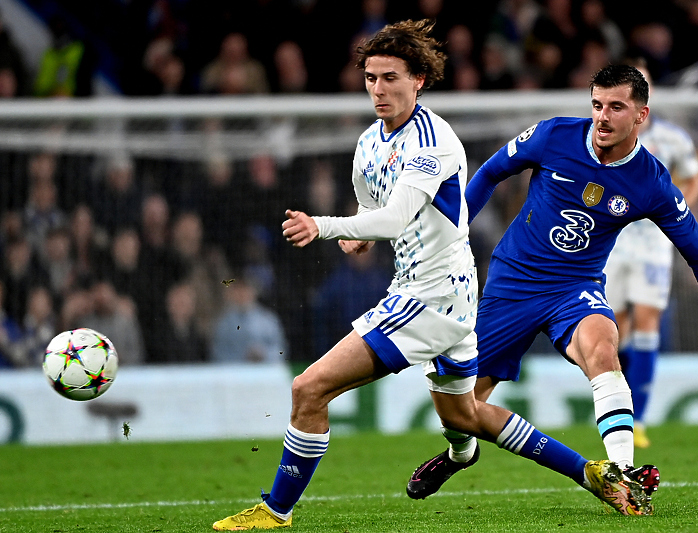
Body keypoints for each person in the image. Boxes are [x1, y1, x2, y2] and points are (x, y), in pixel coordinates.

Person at [212, 21, 652, 532]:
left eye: (391, 78)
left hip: (430, 298)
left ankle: (275, 510)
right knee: (465, 417)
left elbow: (397, 217)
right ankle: (594, 474)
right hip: (443, 294)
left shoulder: (434, 141)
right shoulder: (369, 143)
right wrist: (358, 230)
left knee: (309, 389)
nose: (379, 89)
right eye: (371, 78)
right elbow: (374, 203)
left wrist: (327, 227)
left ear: (418, 79)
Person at [405, 64, 698, 502]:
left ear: (641, 115)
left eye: (616, 107)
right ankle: (460, 455)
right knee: (462, 409)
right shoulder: (553, 135)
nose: (602, 116)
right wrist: (453, 230)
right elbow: (488, 174)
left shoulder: (652, 182)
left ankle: (622, 475)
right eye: (597, 104)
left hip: (575, 289)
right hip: (512, 284)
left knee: (603, 348)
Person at [603, 63, 698, 449]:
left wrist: (677, 212)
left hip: (652, 245)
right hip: (612, 240)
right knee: (617, 328)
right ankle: (621, 409)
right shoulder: (606, 137)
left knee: (647, 320)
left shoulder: (672, 138)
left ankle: (639, 418)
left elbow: (694, 177)